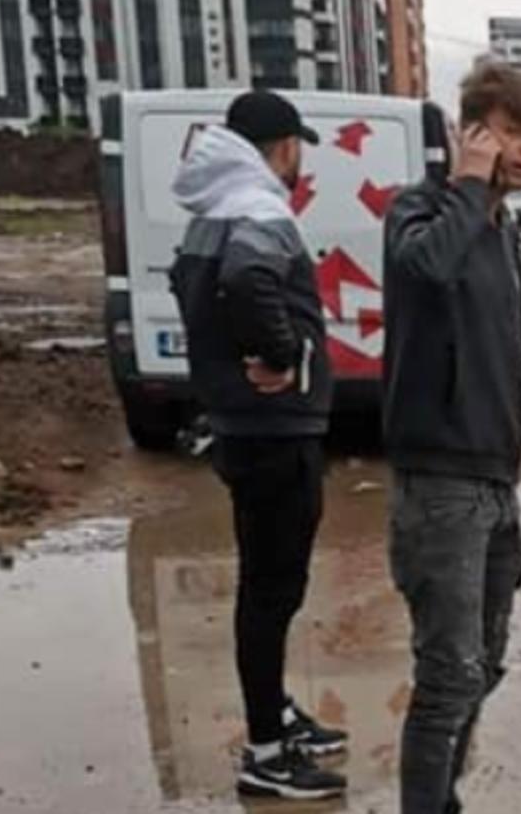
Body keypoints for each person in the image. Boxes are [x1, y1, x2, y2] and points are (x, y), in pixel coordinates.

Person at [383, 59, 521, 814]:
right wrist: (468, 183)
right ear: (474, 133)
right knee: (447, 673)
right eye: (514, 133)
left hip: (494, 477)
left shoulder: (503, 231)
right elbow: (426, 266)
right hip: (440, 481)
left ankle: (443, 798)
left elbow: (510, 347)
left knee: (483, 664)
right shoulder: (420, 213)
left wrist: (520, 434)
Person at [169, 90, 348, 801]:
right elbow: (249, 282)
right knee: (273, 591)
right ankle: (267, 755)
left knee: (268, 587)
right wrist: (284, 353)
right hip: (273, 429)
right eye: (297, 147)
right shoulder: (259, 206)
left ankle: (274, 712)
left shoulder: (214, 206)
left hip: (244, 425)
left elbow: (201, 289)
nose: (299, 160)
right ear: (282, 147)